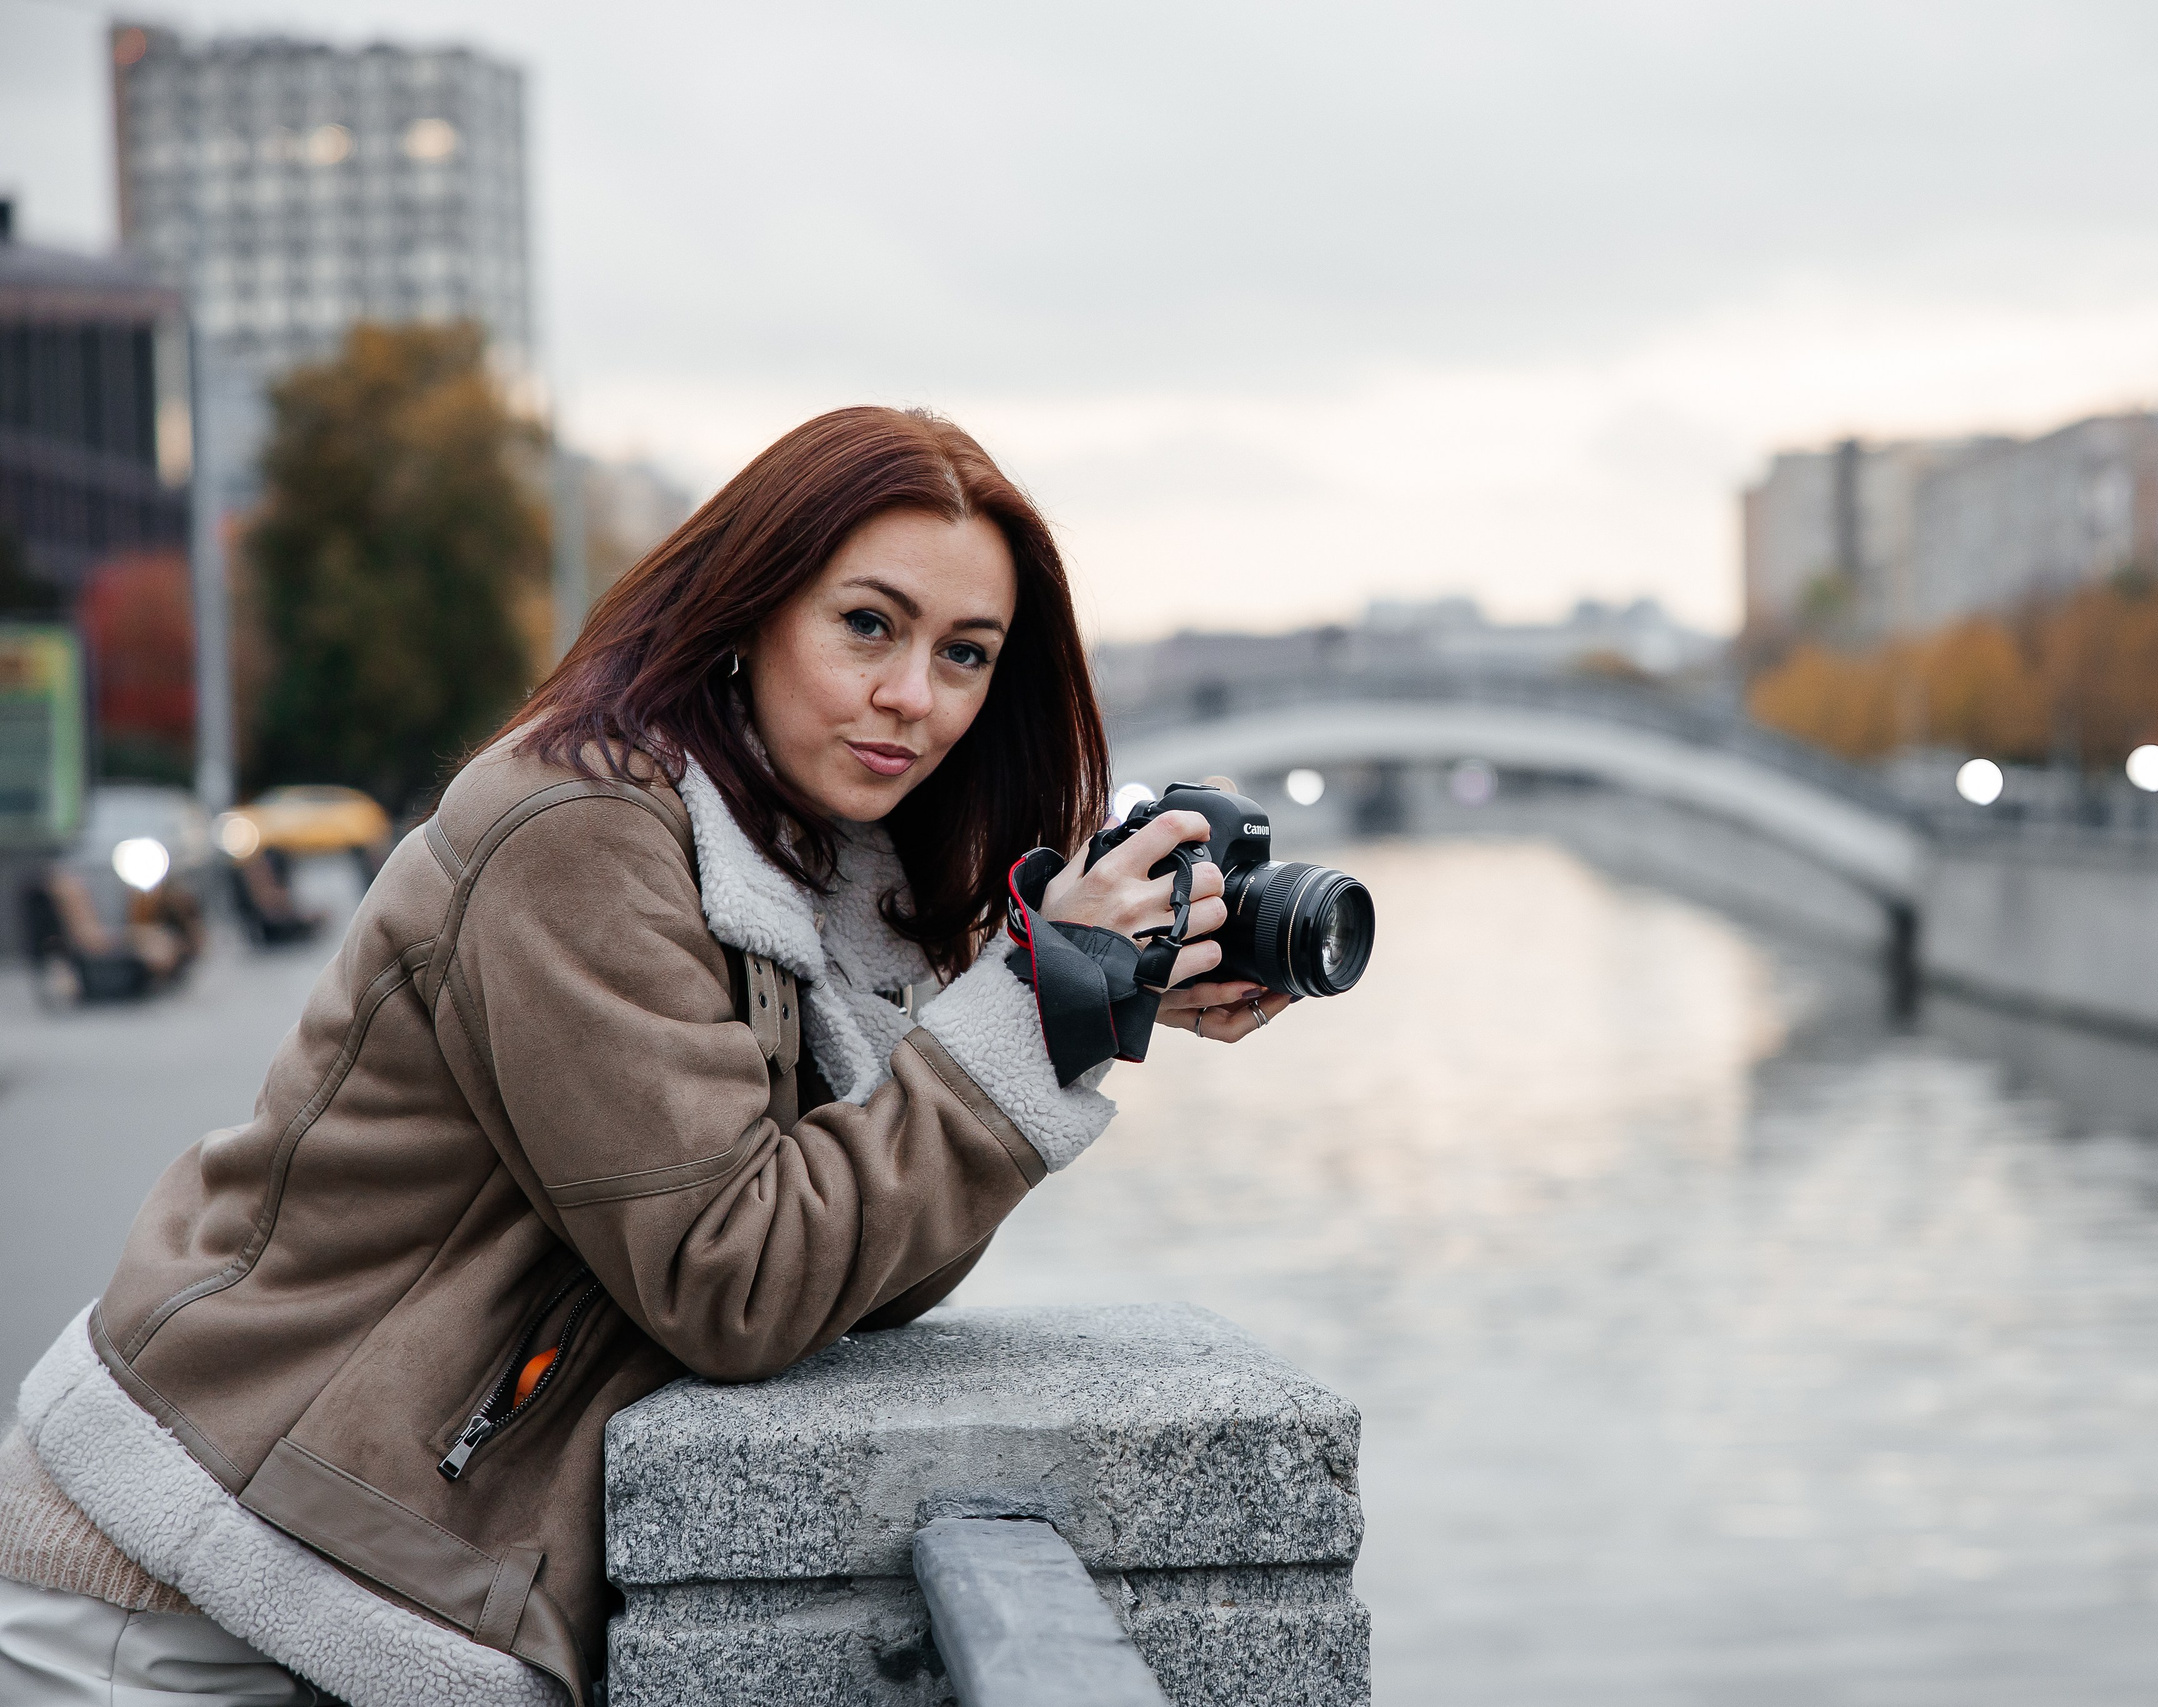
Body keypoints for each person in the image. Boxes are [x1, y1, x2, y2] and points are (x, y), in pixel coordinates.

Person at [0, 407, 1290, 1706]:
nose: (916, 694)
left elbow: (862, 1281)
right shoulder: (580, 832)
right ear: (751, 608)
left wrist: (1066, 1025)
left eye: (966, 654)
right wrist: (1020, 1020)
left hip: (340, 1576)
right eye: (868, 626)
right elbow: (738, 1282)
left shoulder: (825, 879)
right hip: (165, 1596)